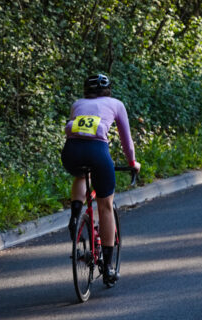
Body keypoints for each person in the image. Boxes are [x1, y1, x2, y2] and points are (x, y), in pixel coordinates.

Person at [61, 74, 141, 285]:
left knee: (81, 174)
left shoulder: (77, 104)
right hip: (97, 151)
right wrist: (132, 162)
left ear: (86, 90)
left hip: (70, 153)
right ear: (108, 90)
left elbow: (74, 133)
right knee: (105, 206)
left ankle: (76, 215)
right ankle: (107, 267)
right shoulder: (116, 104)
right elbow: (126, 140)